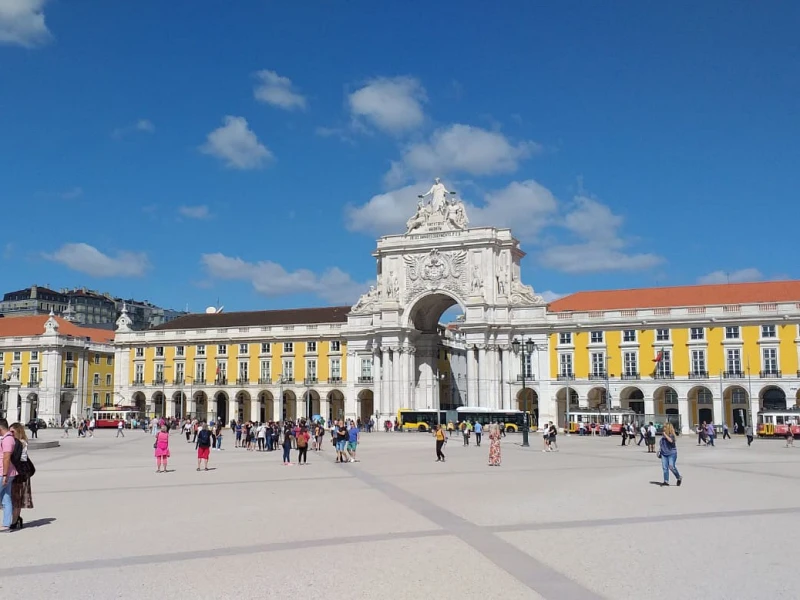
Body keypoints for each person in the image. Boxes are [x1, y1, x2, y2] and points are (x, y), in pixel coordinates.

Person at [9, 423, 33, 530]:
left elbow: (19, 459)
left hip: (20, 471)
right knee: (13, 497)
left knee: (16, 497)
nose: (10, 434)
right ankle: (16, 518)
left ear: (18, 431)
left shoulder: (22, 443)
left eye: (12, 432)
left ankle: (15, 520)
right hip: (16, 470)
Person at [0, 418, 18, 532]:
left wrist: (5, 475)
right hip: (8, 472)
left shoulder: (7, 440)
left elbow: (6, 458)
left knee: (6, 498)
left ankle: (6, 524)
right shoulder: (8, 438)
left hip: (4, 472)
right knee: (6, 498)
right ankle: (6, 525)